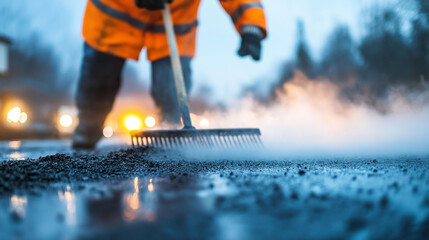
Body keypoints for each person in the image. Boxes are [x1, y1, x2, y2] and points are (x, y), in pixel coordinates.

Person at [72, 0, 267, 149]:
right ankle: (85, 136)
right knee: (98, 82)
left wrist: (251, 26)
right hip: (115, 16)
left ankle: (172, 146)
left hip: (174, 24)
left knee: (171, 89)